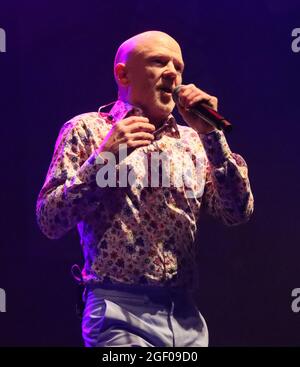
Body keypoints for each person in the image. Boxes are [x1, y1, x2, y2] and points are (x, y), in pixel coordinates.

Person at [36, 30, 254, 347]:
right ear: (123, 73)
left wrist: (212, 136)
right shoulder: (88, 130)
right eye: (158, 61)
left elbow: (237, 212)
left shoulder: (192, 140)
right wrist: (105, 158)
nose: (172, 73)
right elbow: (49, 219)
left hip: (186, 316)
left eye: (178, 67)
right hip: (118, 310)